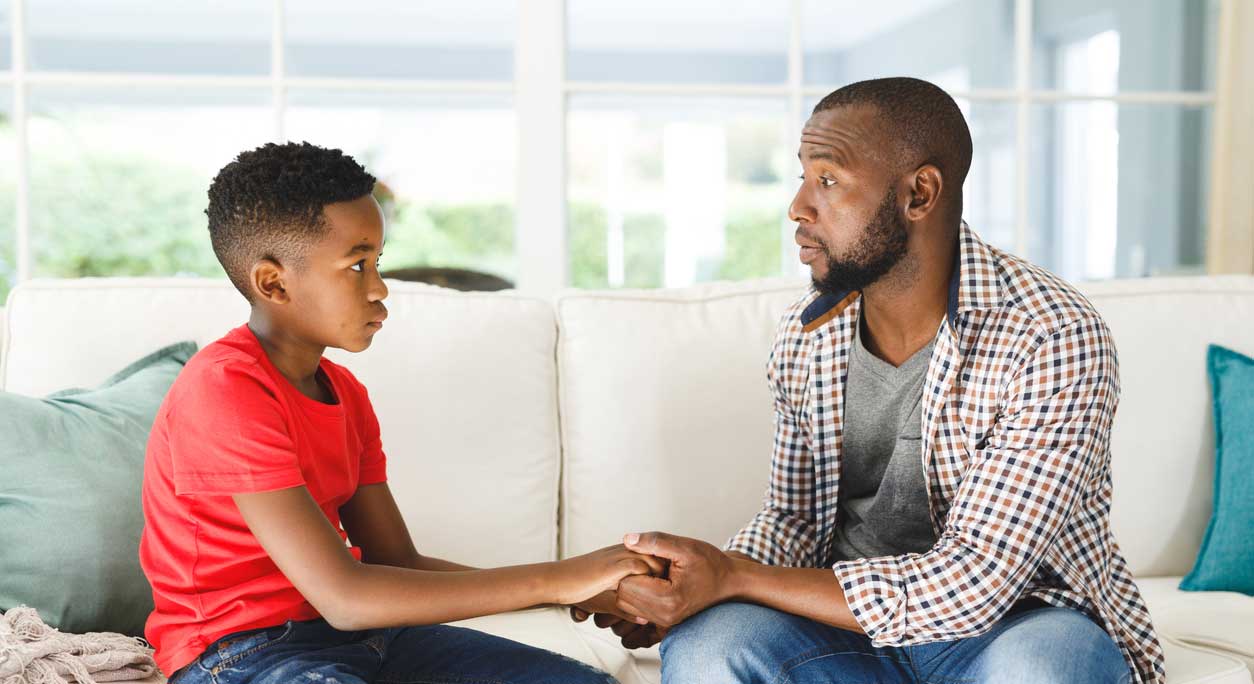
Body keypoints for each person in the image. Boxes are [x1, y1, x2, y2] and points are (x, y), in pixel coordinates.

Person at [574, 77, 1165, 684]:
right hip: (841, 626)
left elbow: (977, 581)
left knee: (1042, 671)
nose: (798, 206)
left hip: (1015, 623)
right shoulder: (809, 337)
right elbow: (796, 521)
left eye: (828, 180)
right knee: (708, 648)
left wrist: (735, 578)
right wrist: (692, 587)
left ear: (919, 193)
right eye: (803, 175)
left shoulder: (1051, 336)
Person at [139, 141, 656, 684]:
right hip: (241, 653)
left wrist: (583, 590)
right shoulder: (225, 391)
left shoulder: (344, 394)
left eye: (377, 262)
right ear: (274, 282)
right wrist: (559, 578)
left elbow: (395, 565)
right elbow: (345, 595)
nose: (381, 288)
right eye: (356, 265)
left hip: (365, 639)